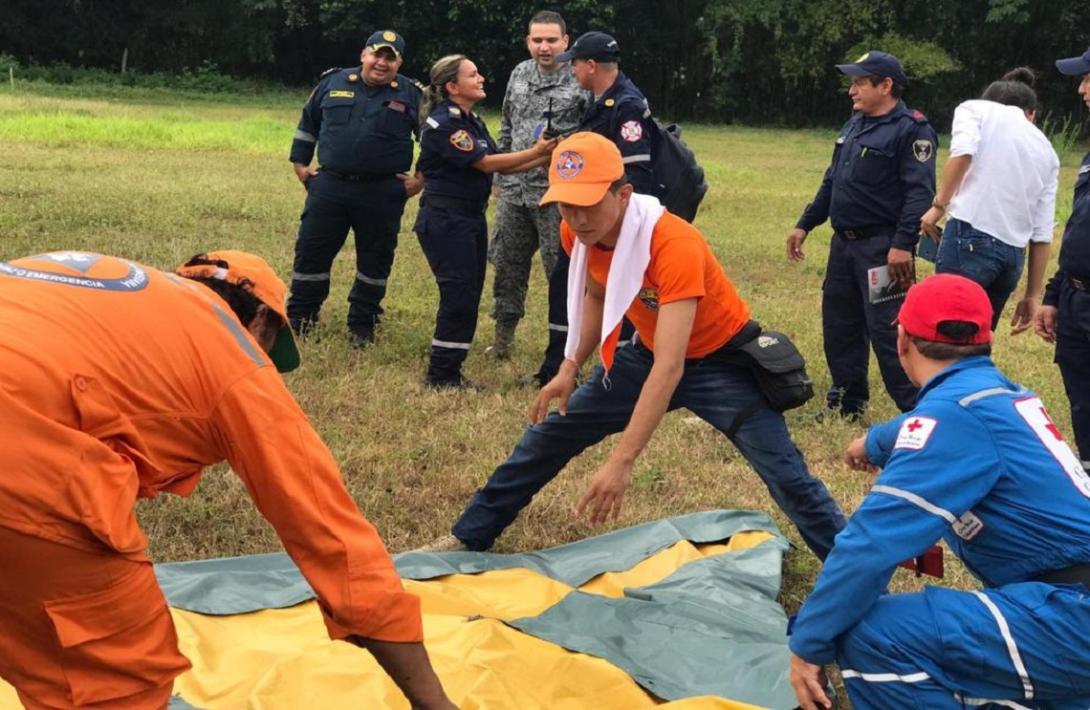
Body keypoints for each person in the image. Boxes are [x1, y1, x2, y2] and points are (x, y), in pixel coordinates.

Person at [0, 250, 454, 710]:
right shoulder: (232, 354)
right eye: (270, 350)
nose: (266, 365)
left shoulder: (126, 303)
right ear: (260, 320)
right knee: (121, 674)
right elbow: (332, 538)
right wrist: (431, 702)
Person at [421, 132, 846, 557]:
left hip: (720, 362)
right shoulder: (577, 233)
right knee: (548, 437)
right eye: (567, 205)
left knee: (787, 475)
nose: (578, 218)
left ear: (623, 194)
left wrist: (622, 461)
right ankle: (469, 536)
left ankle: (854, 567)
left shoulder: (673, 244)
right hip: (645, 354)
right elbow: (597, 295)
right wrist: (569, 367)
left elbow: (670, 367)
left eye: (588, 204)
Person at [789, 274, 1090, 710]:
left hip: (1071, 616)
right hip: (1068, 601)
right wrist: (874, 442)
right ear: (984, 342)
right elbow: (930, 423)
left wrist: (808, 643)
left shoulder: (950, 418)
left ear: (902, 341)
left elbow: (870, 546)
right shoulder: (1000, 394)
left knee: (874, 635)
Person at [787, 50, 938, 418]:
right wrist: (806, 223)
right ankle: (847, 402)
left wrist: (903, 244)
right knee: (839, 325)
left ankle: (916, 409)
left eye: (859, 82)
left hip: (883, 248)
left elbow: (919, 193)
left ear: (886, 86)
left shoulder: (912, 130)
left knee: (889, 332)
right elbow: (832, 179)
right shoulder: (854, 123)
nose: (851, 90)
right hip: (845, 247)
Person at [414, 55, 557, 389]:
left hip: (468, 217)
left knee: (468, 294)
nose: (481, 79)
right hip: (446, 219)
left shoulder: (471, 120)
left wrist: (544, 155)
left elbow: (500, 166)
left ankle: (450, 369)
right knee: (459, 295)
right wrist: (537, 150)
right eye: (473, 75)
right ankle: (441, 374)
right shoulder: (445, 123)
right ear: (452, 86)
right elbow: (486, 163)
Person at [531, 30, 656, 385]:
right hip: (590, 215)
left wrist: (618, 230)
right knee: (568, 284)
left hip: (608, 222)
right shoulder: (602, 100)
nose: (570, 69)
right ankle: (559, 363)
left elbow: (636, 172)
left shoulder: (626, 105)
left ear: (590, 65)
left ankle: (618, 371)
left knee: (616, 290)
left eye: (574, 63)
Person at [288, 30, 425, 347]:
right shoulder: (334, 82)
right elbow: (308, 122)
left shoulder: (411, 94)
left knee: (375, 261)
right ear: (364, 54)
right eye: (377, 54)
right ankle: (301, 319)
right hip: (329, 186)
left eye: (390, 58)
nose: (381, 62)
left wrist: (420, 179)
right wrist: (300, 163)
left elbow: (431, 140)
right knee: (311, 253)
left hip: (382, 191)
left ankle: (362, 326)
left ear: (399, 63)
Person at [487, 10, 588, 382]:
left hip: (557, 195)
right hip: (515, 190)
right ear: (528, 41)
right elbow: (508, 124)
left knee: (561, 273)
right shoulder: (519, 74)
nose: (544, 47)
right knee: (508, 266)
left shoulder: (579, 78)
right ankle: (502, 339)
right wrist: (500, 176)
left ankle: (567, 348)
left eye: (551, 40)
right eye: (537, 40)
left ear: (565, 41)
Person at [919, 68, 1059, 332]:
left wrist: (938, 207)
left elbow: (963, 153)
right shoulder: (1047, 150)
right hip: (1012, 258)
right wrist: (1031, 295)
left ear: (988, 99)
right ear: (1032, 113)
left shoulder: (974, 110)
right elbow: (1042, 233)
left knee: (947, 338)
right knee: (978, 340)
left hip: (971, 239)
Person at [1035, 47, 1090, 471]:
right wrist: (1054, 293)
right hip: (1075, 301)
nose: (1082, 87)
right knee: (1083, 402)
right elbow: (1078, 230)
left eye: (1089, 77)